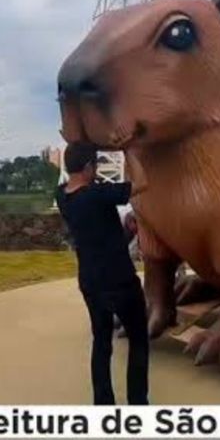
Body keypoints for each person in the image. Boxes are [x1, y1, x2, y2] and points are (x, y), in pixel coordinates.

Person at [55, 142, 150, 405]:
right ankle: (138, 403)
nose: (96, 170)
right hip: (120, 280)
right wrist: (130, 149)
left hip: (90, 281)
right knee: (139, 340)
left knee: (102, 342)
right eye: (94, 166)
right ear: (87, 167)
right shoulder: (98, 195)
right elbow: (142, 183)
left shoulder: (62, 194)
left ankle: (103, 404)